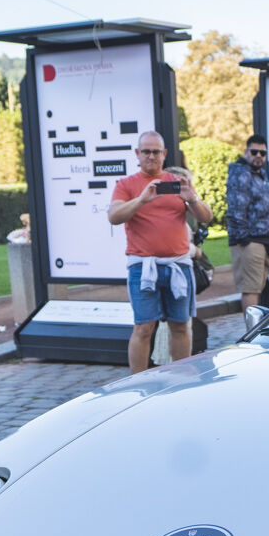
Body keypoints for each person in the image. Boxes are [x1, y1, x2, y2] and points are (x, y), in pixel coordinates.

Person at [108, 131, 212, 373]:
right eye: (146, 151)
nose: (151, 156)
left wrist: (192, 199)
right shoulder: (126, 185)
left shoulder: (177, 182)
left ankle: (181, 378)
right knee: (143, 328)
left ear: (164, 154)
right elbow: (114, 216)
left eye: (156, 151)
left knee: (180, 325)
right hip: (143, 266)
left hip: (178, 266)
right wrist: (141, 200)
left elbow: (206, 217)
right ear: (137, 154)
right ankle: (137, 382)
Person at [224, 134, 269, 311]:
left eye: (263, 153)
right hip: (250, 242)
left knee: (259, 288)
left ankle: (257, 325)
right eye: (254, 152)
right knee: (251, 289)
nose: (258, 156)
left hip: (264, 241)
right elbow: (236, 209)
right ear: (246, 152)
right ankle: (252, 326)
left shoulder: (260, 174)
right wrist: (243, 240)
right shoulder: (241, 174)